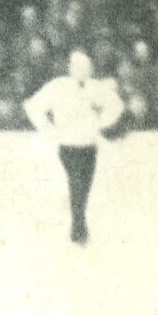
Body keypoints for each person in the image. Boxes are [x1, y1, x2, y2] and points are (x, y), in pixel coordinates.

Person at [23, 49, 125, 244]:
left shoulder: (96, 88)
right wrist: (48, 129)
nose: (83, 71)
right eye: (78, 67)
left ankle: (79, 222)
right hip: (68, 145)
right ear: (70, 68)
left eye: (87, 67)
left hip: (89, 145)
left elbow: (116, 105)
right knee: (76, 182)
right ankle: (78, 226)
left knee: (84, 186)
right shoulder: (58, 86)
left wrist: (101, 122)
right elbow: (33, 106)